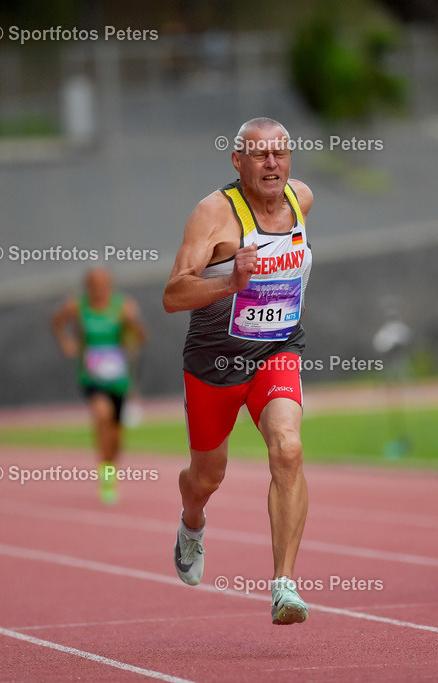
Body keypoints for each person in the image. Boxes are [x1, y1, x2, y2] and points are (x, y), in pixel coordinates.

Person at [163, 117, 313, 625]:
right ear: (237, 160)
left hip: (276, 351)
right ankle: (191, 522)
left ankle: (284, 586)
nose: (272, 163)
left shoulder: (301, 199)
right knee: (207, 476)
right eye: (259, 154)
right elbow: (173, 295)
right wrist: (230, 282)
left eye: (280, 153)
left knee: (288, 449)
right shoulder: (214, 213)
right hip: (215, 363)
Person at [53, 268, 147, 504]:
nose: (99, 289)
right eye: (94, 284)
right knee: (101, 414)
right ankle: (105, 475)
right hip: (91, 376)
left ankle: (110, 469)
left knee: (116, 436)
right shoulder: (78, 305)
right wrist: (66, 341)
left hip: (118, 377)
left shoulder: (123, 305)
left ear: (110, 284)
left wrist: (132, 323)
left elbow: (141, 338)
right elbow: (57, 321)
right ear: (87, 286)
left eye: (103, 284)